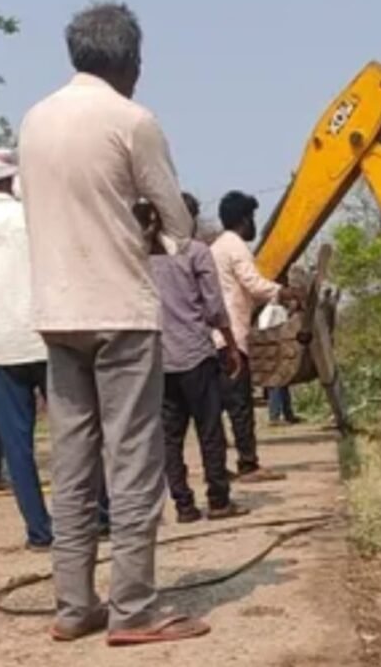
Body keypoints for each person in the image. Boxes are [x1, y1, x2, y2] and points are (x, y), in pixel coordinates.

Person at [19, 2, 208, 645]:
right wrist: (149, 225)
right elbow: (177, 223)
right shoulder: (133, 120)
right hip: (120, 313)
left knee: (72, 464)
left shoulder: (34, 121)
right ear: (129, 61)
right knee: (132, 461)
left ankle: (74, 606)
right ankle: (134, 609)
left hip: (56, 312)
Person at [145, 192, 245, 523]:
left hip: (159, 358)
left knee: (170, 437)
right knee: (209, 429)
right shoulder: (196, 252)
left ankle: (184, 505)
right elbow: (215, 307)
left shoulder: (142, 256)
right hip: (195, 354)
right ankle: (218, 500)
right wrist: (231, 345)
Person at [0, 148, 52, 550]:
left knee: (18, 445)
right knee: (76, 434)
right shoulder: (32, 219)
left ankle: (40, 531)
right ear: (12, 180)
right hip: (45, 338)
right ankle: (97, 515)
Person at [211, 191, 300, 482]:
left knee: (215, 407)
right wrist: (283, 292)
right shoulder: (235, 246)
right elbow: (253, 284)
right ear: (244, 219)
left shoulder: (216, 248)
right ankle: (248, 464)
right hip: (232, 337)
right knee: (239, 404)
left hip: (216, 337)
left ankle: (218, 467)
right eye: (252, 219)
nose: (254, 226)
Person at [257, 298, 300, 425]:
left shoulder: (281, 310)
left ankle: (288, 413)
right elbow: (264, 331)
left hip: (280, 349)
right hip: (272, 350)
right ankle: (274, 416)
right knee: (275, 383)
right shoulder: (270, 310)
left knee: (284, 382)